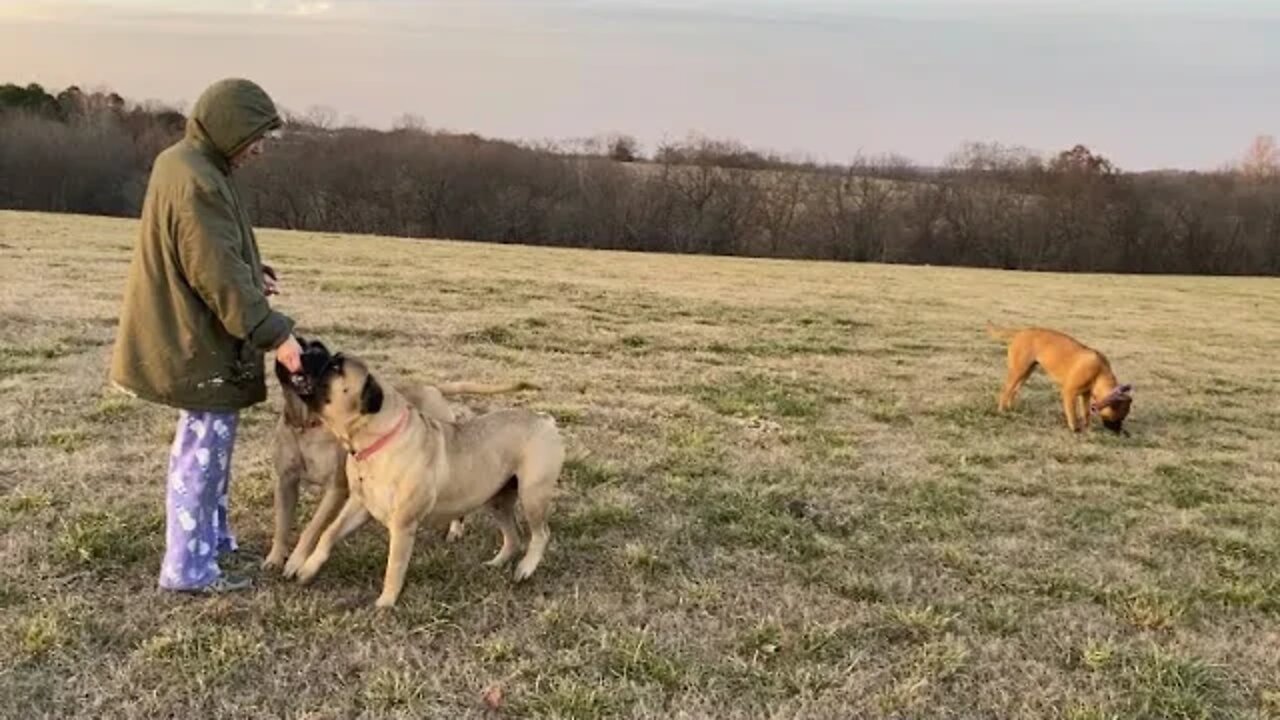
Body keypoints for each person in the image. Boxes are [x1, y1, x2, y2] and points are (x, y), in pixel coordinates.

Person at [109, 78, 304, 594]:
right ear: (229, 127)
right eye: (255, 136)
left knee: (208, 448)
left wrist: (251, 268)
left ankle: (212, 544)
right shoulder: (199, 179)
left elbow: (207, 251)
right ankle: (188, 569)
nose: (259, 149)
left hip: (193, 331)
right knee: (202, 452)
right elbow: (215, 273)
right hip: (196, 341)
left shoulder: (186, 163)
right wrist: (274, 334)